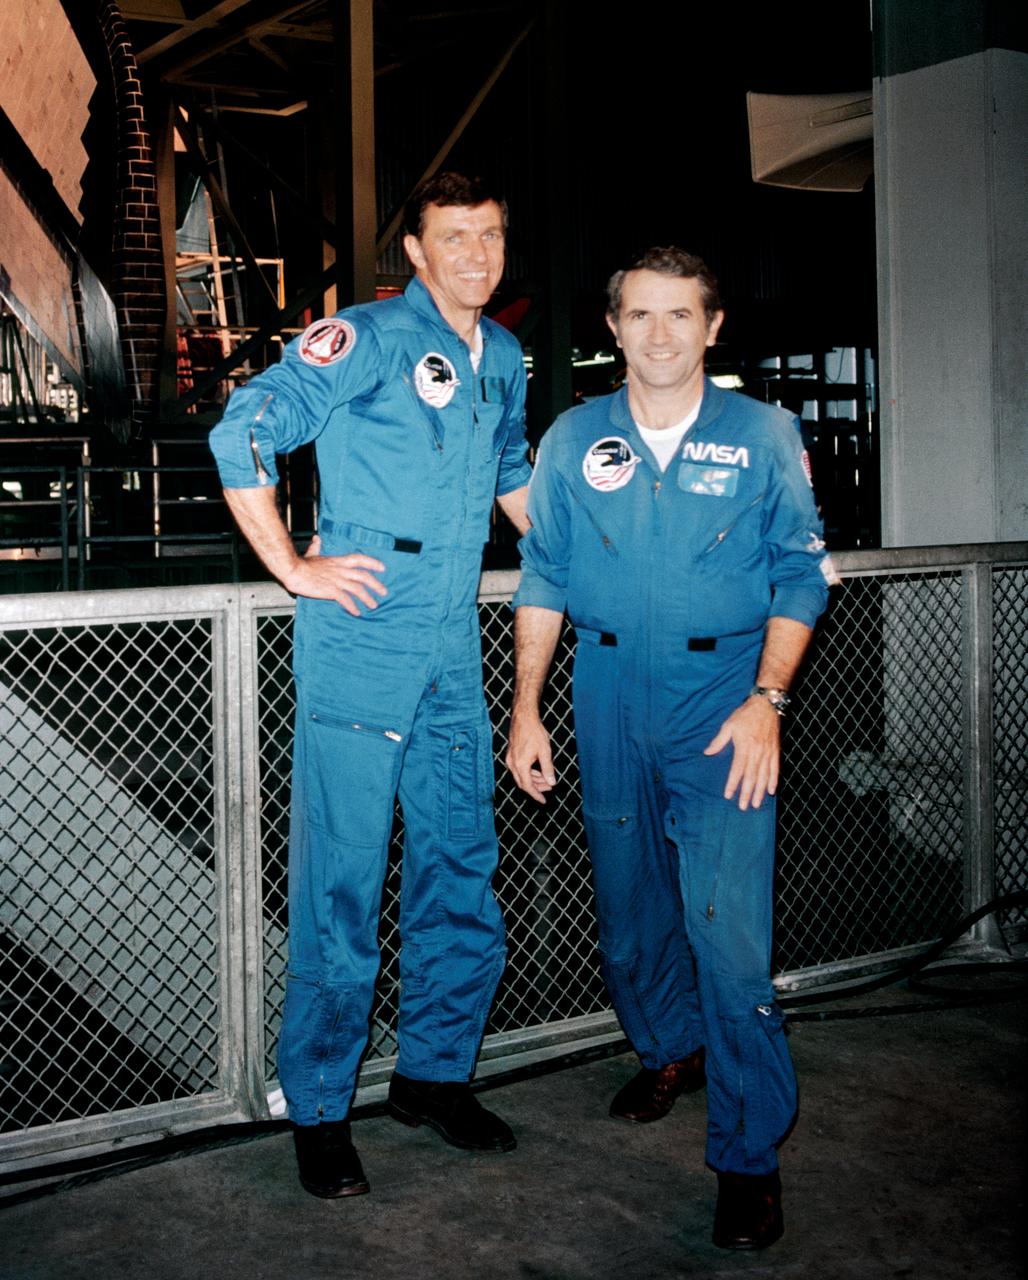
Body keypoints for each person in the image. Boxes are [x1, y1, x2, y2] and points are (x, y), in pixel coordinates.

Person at [505, 247, 837, 1250]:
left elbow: (801, 573)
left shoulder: (764, 433)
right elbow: (544, 575)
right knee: (630, 912)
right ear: (612, 329)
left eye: (678, 315)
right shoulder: (572, 437)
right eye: (638, 315)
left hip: (722, 703)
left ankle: (746, 1154)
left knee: (728, 941)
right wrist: (525, 708)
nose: (658, 334)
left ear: (712, 325)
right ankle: (666, 1047)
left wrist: (767, 698)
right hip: (603, 694)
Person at [209, 172, 531, 1199]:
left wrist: (595, 557)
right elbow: (242, 429)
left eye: (488, 234)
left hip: (451, 635)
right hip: (360, 624)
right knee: (341, 879)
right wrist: (293, 569)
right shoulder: (366, 335)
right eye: (453, 237)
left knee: (458, 862)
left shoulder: (507, 354)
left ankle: (433, 1076)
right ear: (417, 254)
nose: (475, 254)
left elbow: (513, 474)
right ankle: (318, 1107)